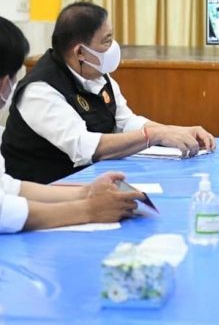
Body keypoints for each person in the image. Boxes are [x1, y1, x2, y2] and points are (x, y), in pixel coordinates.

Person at [2, 2, 215, 184]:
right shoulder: (40, 90)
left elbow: (125, 121)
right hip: (45, 190)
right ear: (80, 51)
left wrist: (175, 132)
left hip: (89, 181)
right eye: (107, 40)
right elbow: (84, 147)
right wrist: (154, 135)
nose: (113, 47)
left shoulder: (95, 73)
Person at [0, 16, 143, 232]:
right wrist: (89, 210)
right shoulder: (40, 87)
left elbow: (7, 187)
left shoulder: (97, 75)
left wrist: (85, 192)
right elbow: (3, 210)